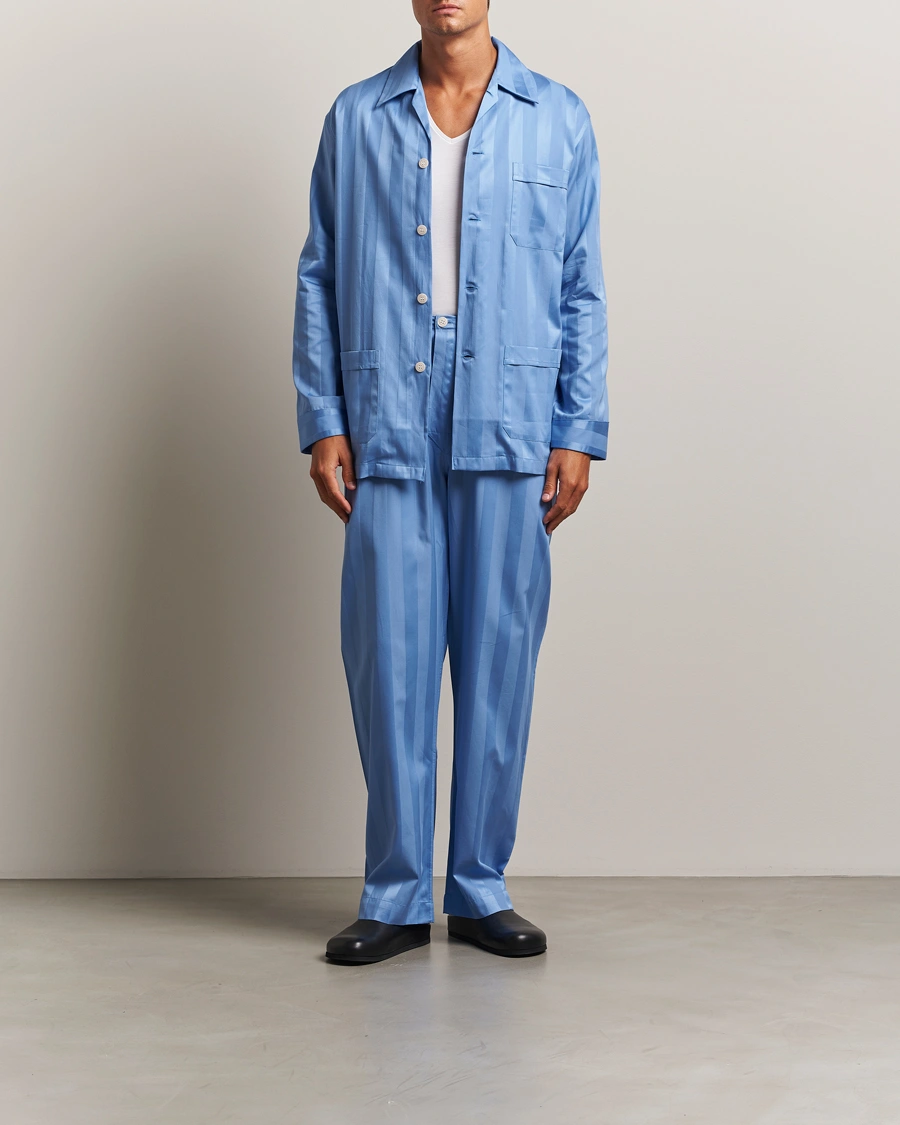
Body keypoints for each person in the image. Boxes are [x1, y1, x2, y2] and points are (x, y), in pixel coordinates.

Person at [293, 0, 608, 964]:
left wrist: (578, 427)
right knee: (388, 656)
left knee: (499, 654)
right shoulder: (357, 116)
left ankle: (478, 887)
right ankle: (394, 894)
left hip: (510, 411)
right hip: (388, 405)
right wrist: (324, 416)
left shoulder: (558, 118)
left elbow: (580, 285)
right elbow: (320, 273)